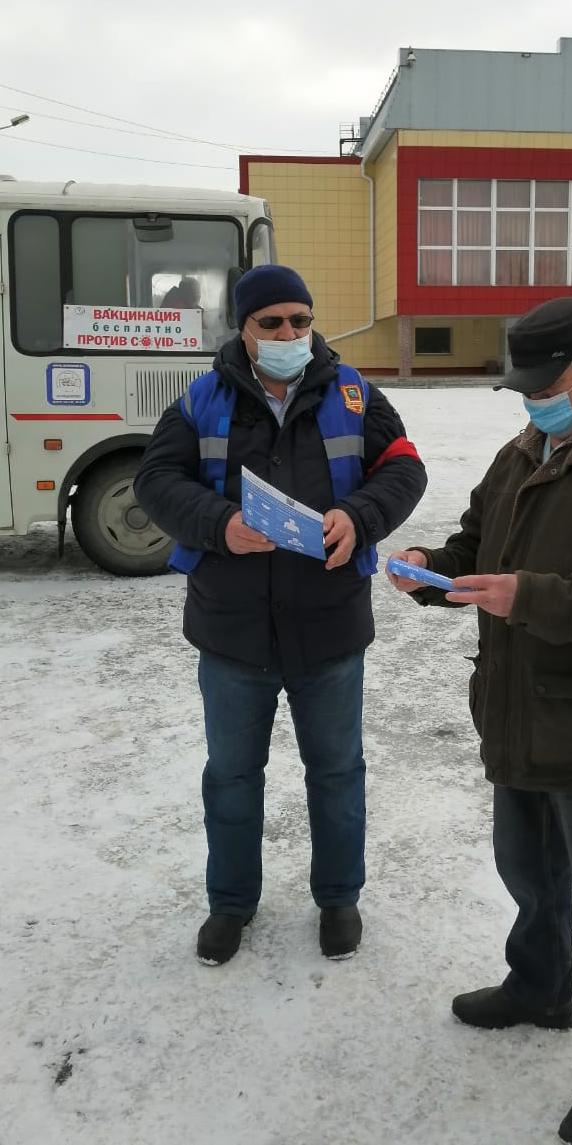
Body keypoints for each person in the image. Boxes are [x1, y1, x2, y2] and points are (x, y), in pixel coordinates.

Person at [387, 297, 572, 1145]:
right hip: (515, 709)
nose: (531, 401)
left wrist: (532, 597)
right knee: (526, 868)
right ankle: (538, 986)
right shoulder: (520, 450)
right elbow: (476, 545)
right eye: (521, 385)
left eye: (546, 383)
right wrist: (428, 569)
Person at [134, 264, 427, 966]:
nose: (290, 333)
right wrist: (218, 522)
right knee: (232, 777)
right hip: (231, 633)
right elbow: (154, 479)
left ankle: (338, 897)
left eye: (300, 319)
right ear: (244, 328)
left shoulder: (354, 395)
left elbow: (405, 468)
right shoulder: (203, 400)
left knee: (336, 774)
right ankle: (230, 905)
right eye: (272, 323)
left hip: (329, 629)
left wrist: (359, 516)